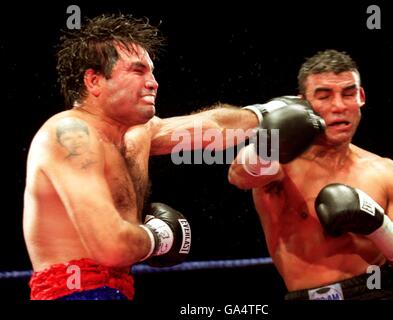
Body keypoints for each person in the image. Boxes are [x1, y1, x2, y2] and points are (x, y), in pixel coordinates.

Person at [22, 13, 297, 300]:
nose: (153, 83)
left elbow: (211, 127)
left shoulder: (135, 133)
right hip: (72, 292)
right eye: (138, 71)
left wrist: (267, 113)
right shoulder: (70, 134)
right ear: (94, 81)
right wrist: (158, 237)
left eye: (152, 72)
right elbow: (111, 246)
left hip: (117, 289)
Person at [228, 49, 393, 300]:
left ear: (360, 97)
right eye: (324, 96)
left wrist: (379, 225)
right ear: (303, 104)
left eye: (348, 94)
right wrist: (269, 143)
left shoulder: (389, 172)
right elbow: (239, 176)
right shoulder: (281, 163)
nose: (339, 106)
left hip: (381, 292)